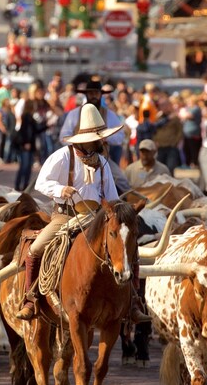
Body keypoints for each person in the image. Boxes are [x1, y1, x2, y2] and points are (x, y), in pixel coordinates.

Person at [19, 104, 149, 324]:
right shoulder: (63, 156)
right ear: (86, 139)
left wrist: (120, 212)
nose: (102, 141)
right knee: (35, 249)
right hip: (65, 216)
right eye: (98, 137)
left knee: (129, 247)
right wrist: (61, 190)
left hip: (97, 217)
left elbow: (112, 196)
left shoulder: (102, 162)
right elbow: (41, 182)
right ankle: (30, 300)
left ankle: (133, 302)